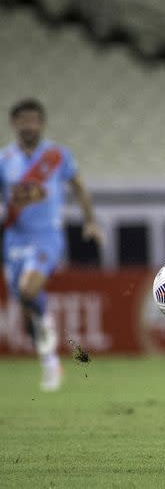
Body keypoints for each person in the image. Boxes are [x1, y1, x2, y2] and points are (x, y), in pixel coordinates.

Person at [0, 98, 103, 391]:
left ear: (42, 124)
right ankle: (49, 360)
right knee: (25, 306)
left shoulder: (57, 156)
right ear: (14, 123)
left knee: (27, 289)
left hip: (47, 237)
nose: (29, 124)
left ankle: (47, 347)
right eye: (23, 119)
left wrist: (90, 221)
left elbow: (79, 187)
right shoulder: (4, 160)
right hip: (14, 239)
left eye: (34, 119)